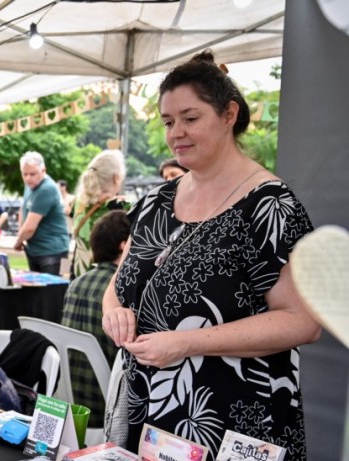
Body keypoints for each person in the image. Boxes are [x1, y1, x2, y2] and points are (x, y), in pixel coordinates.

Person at [102, 50, 320, 458]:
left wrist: (187, 343)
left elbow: (303, 322)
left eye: (190, 118)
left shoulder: (270, 206)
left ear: (228, 114)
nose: (176, 133)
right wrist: (113, 311)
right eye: (168, 122)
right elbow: (119, 285)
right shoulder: (155, 201)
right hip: (147, 412)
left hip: (233, 418)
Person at [60, 210, 129, 427]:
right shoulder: (123, 291)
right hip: (107, 407)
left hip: (68, 399)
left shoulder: (76, 283)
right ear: (124, 245)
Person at [70, 150, 130, 279]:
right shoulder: (122, 206)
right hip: (105, 277)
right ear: (116, 178)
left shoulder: (79, 203)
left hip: (78, 275)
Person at [13, 151, 69, 274]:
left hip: (55, 252)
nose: (28, 178)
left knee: (59, 284)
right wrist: (21, 235)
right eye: (25, 174)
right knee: (37, 285)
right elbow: (23, 209)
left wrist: (18, 241)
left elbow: (29, 228)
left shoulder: (46, 189)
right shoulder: (30, 185)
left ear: (43, 170)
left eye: (33, 174)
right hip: (37, 250)